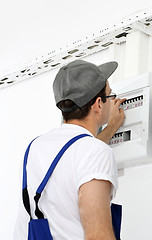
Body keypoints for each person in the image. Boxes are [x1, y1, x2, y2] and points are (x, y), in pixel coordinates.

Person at [14, 59, 126, 239]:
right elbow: (98, 235)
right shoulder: (95, 152)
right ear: (98, 104)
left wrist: (111, 128)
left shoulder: (34, 147)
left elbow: (76, 157)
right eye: (110, 96)